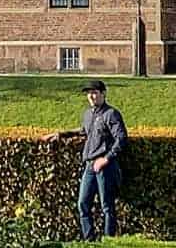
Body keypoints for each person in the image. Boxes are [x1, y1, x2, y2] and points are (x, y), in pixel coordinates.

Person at [53, 79, 128, 239]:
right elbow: (84, 131)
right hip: (89, 165)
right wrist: (61, 134)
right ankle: (90, 240)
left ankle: (109, 240)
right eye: (89, 93)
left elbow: (121, 139)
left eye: (94, 92)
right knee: (83, 204)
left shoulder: (111, 114)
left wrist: (106, 158)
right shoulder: (88, 114)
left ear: (103, 94)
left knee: (106, 206)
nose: (91, 96)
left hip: (104, 166)